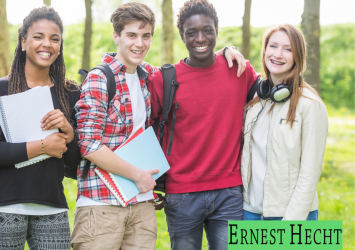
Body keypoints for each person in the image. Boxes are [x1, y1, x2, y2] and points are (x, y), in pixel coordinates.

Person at [72, 2, 246, 249]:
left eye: (146, 36)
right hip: (103, 204)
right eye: (131, 35)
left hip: (141, 203)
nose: (139, 43)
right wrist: (138, 175)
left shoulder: (150, 76)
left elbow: (196, 67)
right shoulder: (100, 78)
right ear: (116, 36)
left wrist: (228, 49)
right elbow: (88, 144)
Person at [147, 0, 261, 249]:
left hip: (229, 191)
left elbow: (269, 94)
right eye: (192, 32)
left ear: (217, 30)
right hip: (182, 194)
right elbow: (143, 129)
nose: (200, 38)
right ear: (181, 36)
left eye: (207, 30)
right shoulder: (163, 80)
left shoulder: (239, 71)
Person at [0, 6, 81, 250]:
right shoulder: (0, 89)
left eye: (55, 39)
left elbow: (73, 164)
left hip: (51, 205)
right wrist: (43, 146)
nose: (47, 44)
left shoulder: (70, 94)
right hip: (2, 205)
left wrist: (70, 133)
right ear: (23, 42)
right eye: (38, 36)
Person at [241, 24, 328, 221]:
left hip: (290, 216)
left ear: (298, 56)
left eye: (288, 49)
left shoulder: (310, 105)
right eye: (273, 46)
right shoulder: (257, 99)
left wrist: (290, 223)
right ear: (264, 50)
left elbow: (310, 174)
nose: (278, 54)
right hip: (250, 213)